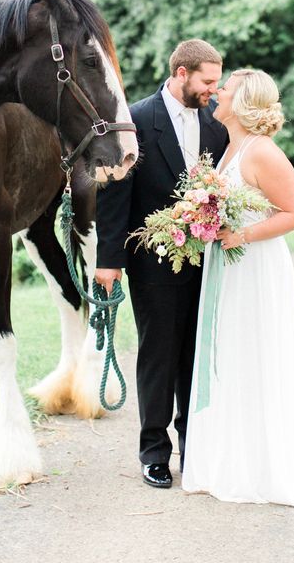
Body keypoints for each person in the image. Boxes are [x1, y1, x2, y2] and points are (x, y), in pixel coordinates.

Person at [182, 68, 294, 506]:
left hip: (255, 266)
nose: (217, 93)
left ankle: (262, 469)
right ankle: (229, 461)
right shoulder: (231, 148)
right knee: (228, 355)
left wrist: (239, 235)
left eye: (224, 89)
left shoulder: (262, 152)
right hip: (227, 265)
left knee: (254, 354)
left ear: (242, 101)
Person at [95, 40, 229, 488]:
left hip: (208, 261)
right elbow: (115, 197)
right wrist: (108, 261)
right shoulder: (134, 120)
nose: (215, 89)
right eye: (208, 81)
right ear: (181, 74)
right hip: (153, 263)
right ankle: (154, 451)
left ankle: (195, 444)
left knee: (196, 355)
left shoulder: (217, 124)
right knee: (158, 354)